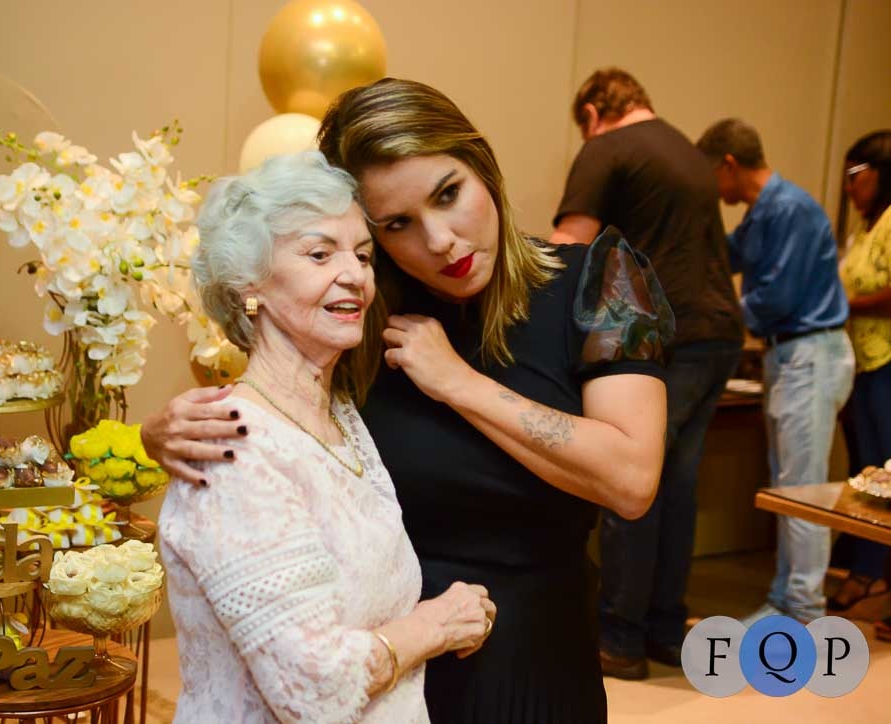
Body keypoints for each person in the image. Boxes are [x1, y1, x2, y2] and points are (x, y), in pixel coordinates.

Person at [144, 78, 672, 723]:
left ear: (482, 165)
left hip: (535, 661)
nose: (441, 240)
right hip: (383, 675)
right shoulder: (364, 312)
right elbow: (281, 421)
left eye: (448, 194)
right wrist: (163, 432)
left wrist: (458, 383)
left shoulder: (595, 281)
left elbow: (631, 480)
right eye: (397, 225)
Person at [158, 151, 497, 723]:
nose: (355, 275)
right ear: (249, 285)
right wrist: (438, 624)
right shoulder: (231, 446)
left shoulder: (341, 416)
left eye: (362, 255)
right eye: (319, 254)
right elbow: (312, 688)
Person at [549, 67, 744, 679]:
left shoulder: (606, 147)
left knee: (629, 479)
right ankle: (664, 628)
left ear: (591, 114)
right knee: (676, 485)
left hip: (665, 335)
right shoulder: (688, 151)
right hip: (719, 333)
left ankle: (620, 638)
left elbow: (570, 244)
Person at [696, 118, 855, 624]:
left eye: (709, 176)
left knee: (802, 490)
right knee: (788, 486)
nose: (712, 189)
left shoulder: (790, 208)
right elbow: (727, 255)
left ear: (728, 164)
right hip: (791, 355)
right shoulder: (764, 211)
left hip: (811, 353)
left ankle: (803, 608)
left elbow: (776, 298)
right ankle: (787, 597)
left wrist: (715, 314)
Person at [828, 130, 891, 626]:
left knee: (886, 475)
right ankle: (867, 570)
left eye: (856, 175)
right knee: (868, 473)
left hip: (888, 363)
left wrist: (844, 306)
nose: (849, 186)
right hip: (864, 365)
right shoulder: (866, 228)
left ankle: (874, 575)